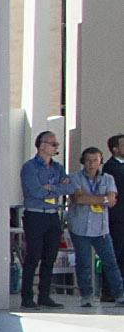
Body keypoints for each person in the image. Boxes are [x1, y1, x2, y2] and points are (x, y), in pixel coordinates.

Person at [65, 145, 122, 308]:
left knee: (110, 262)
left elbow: (112, 200)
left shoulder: (108, 178)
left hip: (101, 229)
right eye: (88, 160)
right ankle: (87, 296)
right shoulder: (75, 177)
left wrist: (93, 198)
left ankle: (120, 294)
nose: (91, 164)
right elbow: (78, 199)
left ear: (100, 161)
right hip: (80, 227)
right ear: (83, 161)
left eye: (95, 160)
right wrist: (102, 198)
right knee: (83, 262)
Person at [19, 132, 69, 309]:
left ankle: (44, 295)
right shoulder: (30, 167)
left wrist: (51, 188)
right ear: (41, 145)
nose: (56, 147)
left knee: (50, 257)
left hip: (52, 215)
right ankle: (26, 297)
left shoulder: (58, 168)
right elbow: (35, 191)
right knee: (33, 256)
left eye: (57, 144)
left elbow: (68, 186)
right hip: (35, 215)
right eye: (53, 144)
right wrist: (55, 190)